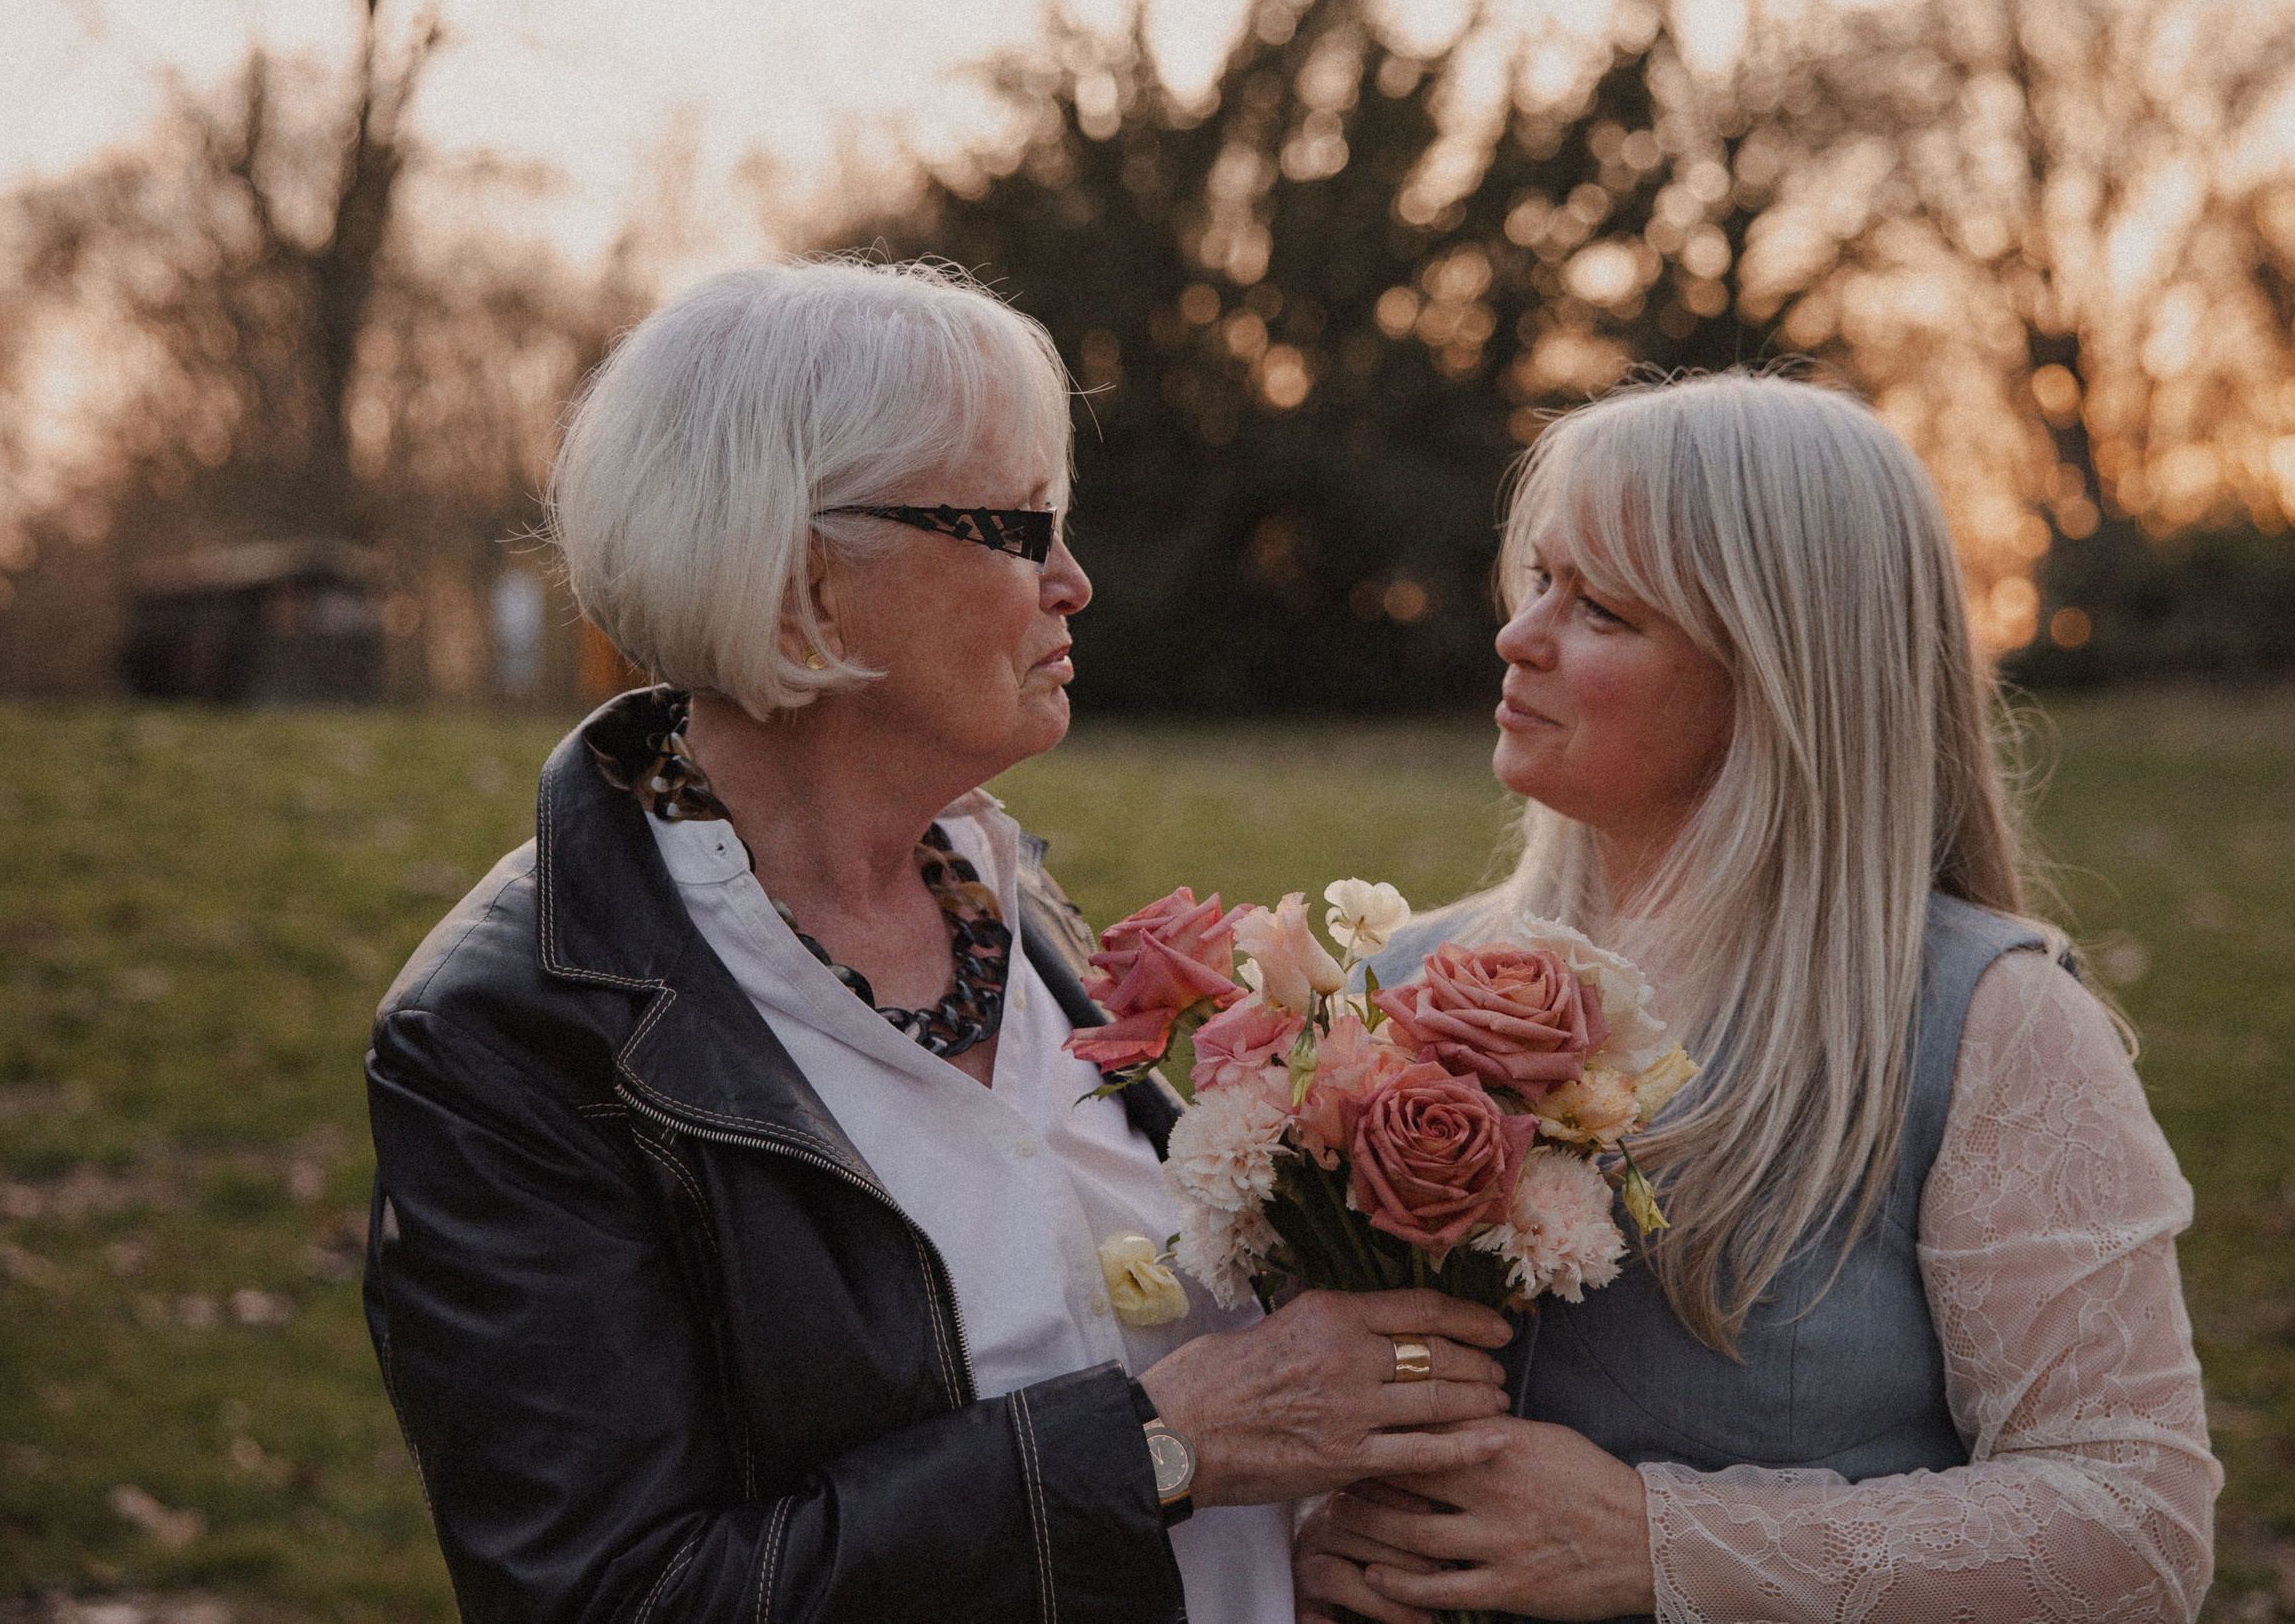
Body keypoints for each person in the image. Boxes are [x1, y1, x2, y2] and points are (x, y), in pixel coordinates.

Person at [359, 259, 1516, 1624]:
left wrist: (1286, 1538)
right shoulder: (514, 1033)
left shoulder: (1008, 902)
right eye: (1022, 525)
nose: (1073, 581)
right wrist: (1155, 1447)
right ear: (805, 577)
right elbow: (617, 1594)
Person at [1293, 372, 2220, 1623]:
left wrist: (1660, 1541)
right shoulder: (1393, 989)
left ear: (1781, 675)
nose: (1520, 637)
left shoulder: (1980, 1022)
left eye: (1603, 609)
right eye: (1537, 582)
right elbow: (1288, 1389)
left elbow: (2132, 1530)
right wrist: (1304, 1529)